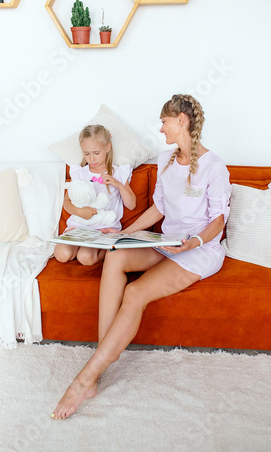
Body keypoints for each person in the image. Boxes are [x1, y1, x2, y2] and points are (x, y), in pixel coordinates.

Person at [51, 94, 231, 420]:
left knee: (135, 293)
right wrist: (125, 233)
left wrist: (193, 242)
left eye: (164, 122)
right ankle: (103, 358)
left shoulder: (215, 167)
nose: (161, 129)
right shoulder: (164, 160)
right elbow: (159, 209)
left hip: (199, 249)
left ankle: (86, 379)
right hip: (167, 241)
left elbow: (218, 220)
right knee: (116, 256)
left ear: (182, 121)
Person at [54, 124, 136, 266]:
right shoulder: (80, 173)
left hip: (104, 229)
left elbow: (132, 204)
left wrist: (118, 184)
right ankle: (79, 247)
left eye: (96, 153)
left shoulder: (117, 173)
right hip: (79, 226)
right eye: (87, 153)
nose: (91, 158)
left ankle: (108, 250)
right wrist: (78, 211)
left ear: (107, 148)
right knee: (61, 254)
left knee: (85, 257)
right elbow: (66, 201)